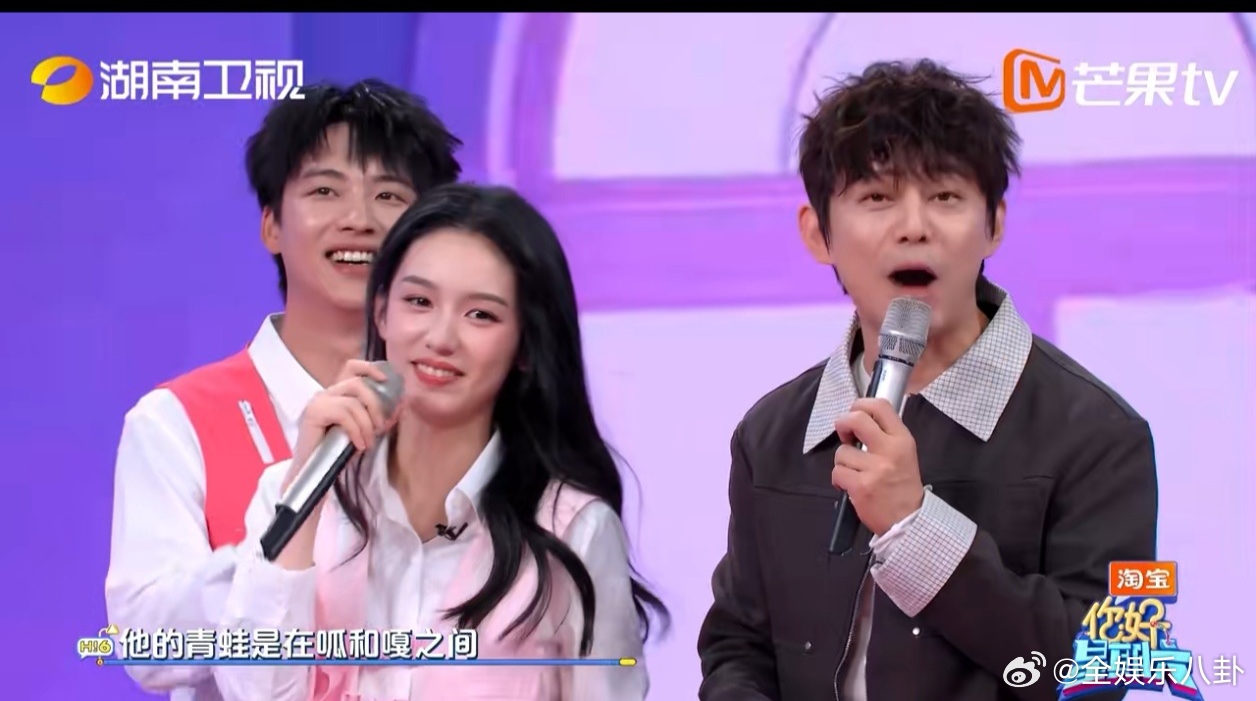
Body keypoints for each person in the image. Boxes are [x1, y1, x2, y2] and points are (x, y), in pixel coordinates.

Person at [696, 60, 1158, 701]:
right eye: (877, 198)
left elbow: (1105, 671)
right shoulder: (772, 434)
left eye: (945, 196)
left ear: (994, 224)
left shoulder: (1098, 435)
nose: (914, 226)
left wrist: (915, 529)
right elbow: (737, 644)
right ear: (818, 233)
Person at [215, 183, 668, 701]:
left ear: (525, 345)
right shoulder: (293, 493)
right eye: (419, 301)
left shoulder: (572, 531)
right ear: (381, 312)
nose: (441, 338)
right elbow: (250, 692)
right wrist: (305, 493)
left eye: (481, 315)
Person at [105, 79, 463, 700]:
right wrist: (285, 538)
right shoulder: (177, 421)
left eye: (389, 195)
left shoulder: (464, 413)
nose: (359, 219)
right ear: (271, 225)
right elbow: (145, 643)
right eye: (325, 190)